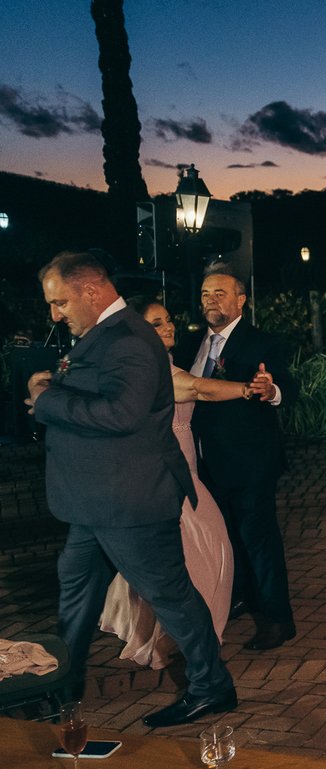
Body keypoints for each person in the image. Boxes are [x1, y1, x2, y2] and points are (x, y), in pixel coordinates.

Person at [26, 251, 237, 727]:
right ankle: (62, 691)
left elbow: (122, 414)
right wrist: (52, 392)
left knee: (172, 597)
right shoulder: (100, 337)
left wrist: (49, 400)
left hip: (130, 500)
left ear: (92, 291)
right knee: (75, 599)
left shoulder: (128, 340)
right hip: (94, 502)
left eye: (60, 302)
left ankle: (212, 687)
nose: (55, 314)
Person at [98, 297, 264, 669]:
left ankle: (181, 635)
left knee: (198, 554)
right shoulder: (155, 374)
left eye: (169, 319)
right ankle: (193, 638)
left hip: (186, 472)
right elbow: (199, 389)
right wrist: (246, 389)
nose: (169, 326)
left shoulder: (165, 364)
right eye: (157, 323)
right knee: (204, 552)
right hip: (169, 479)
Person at [179, 264, 298, 651]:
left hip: (250, 463)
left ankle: (278, 619)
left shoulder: (260, 343)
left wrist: (271, 389)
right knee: (226, 538)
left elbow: (287, 389)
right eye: (205, 295)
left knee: (259, 541)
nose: (211, 301)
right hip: (204, 464)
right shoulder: (189, 344)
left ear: (241, 299)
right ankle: (241, 596)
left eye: (220, 294)